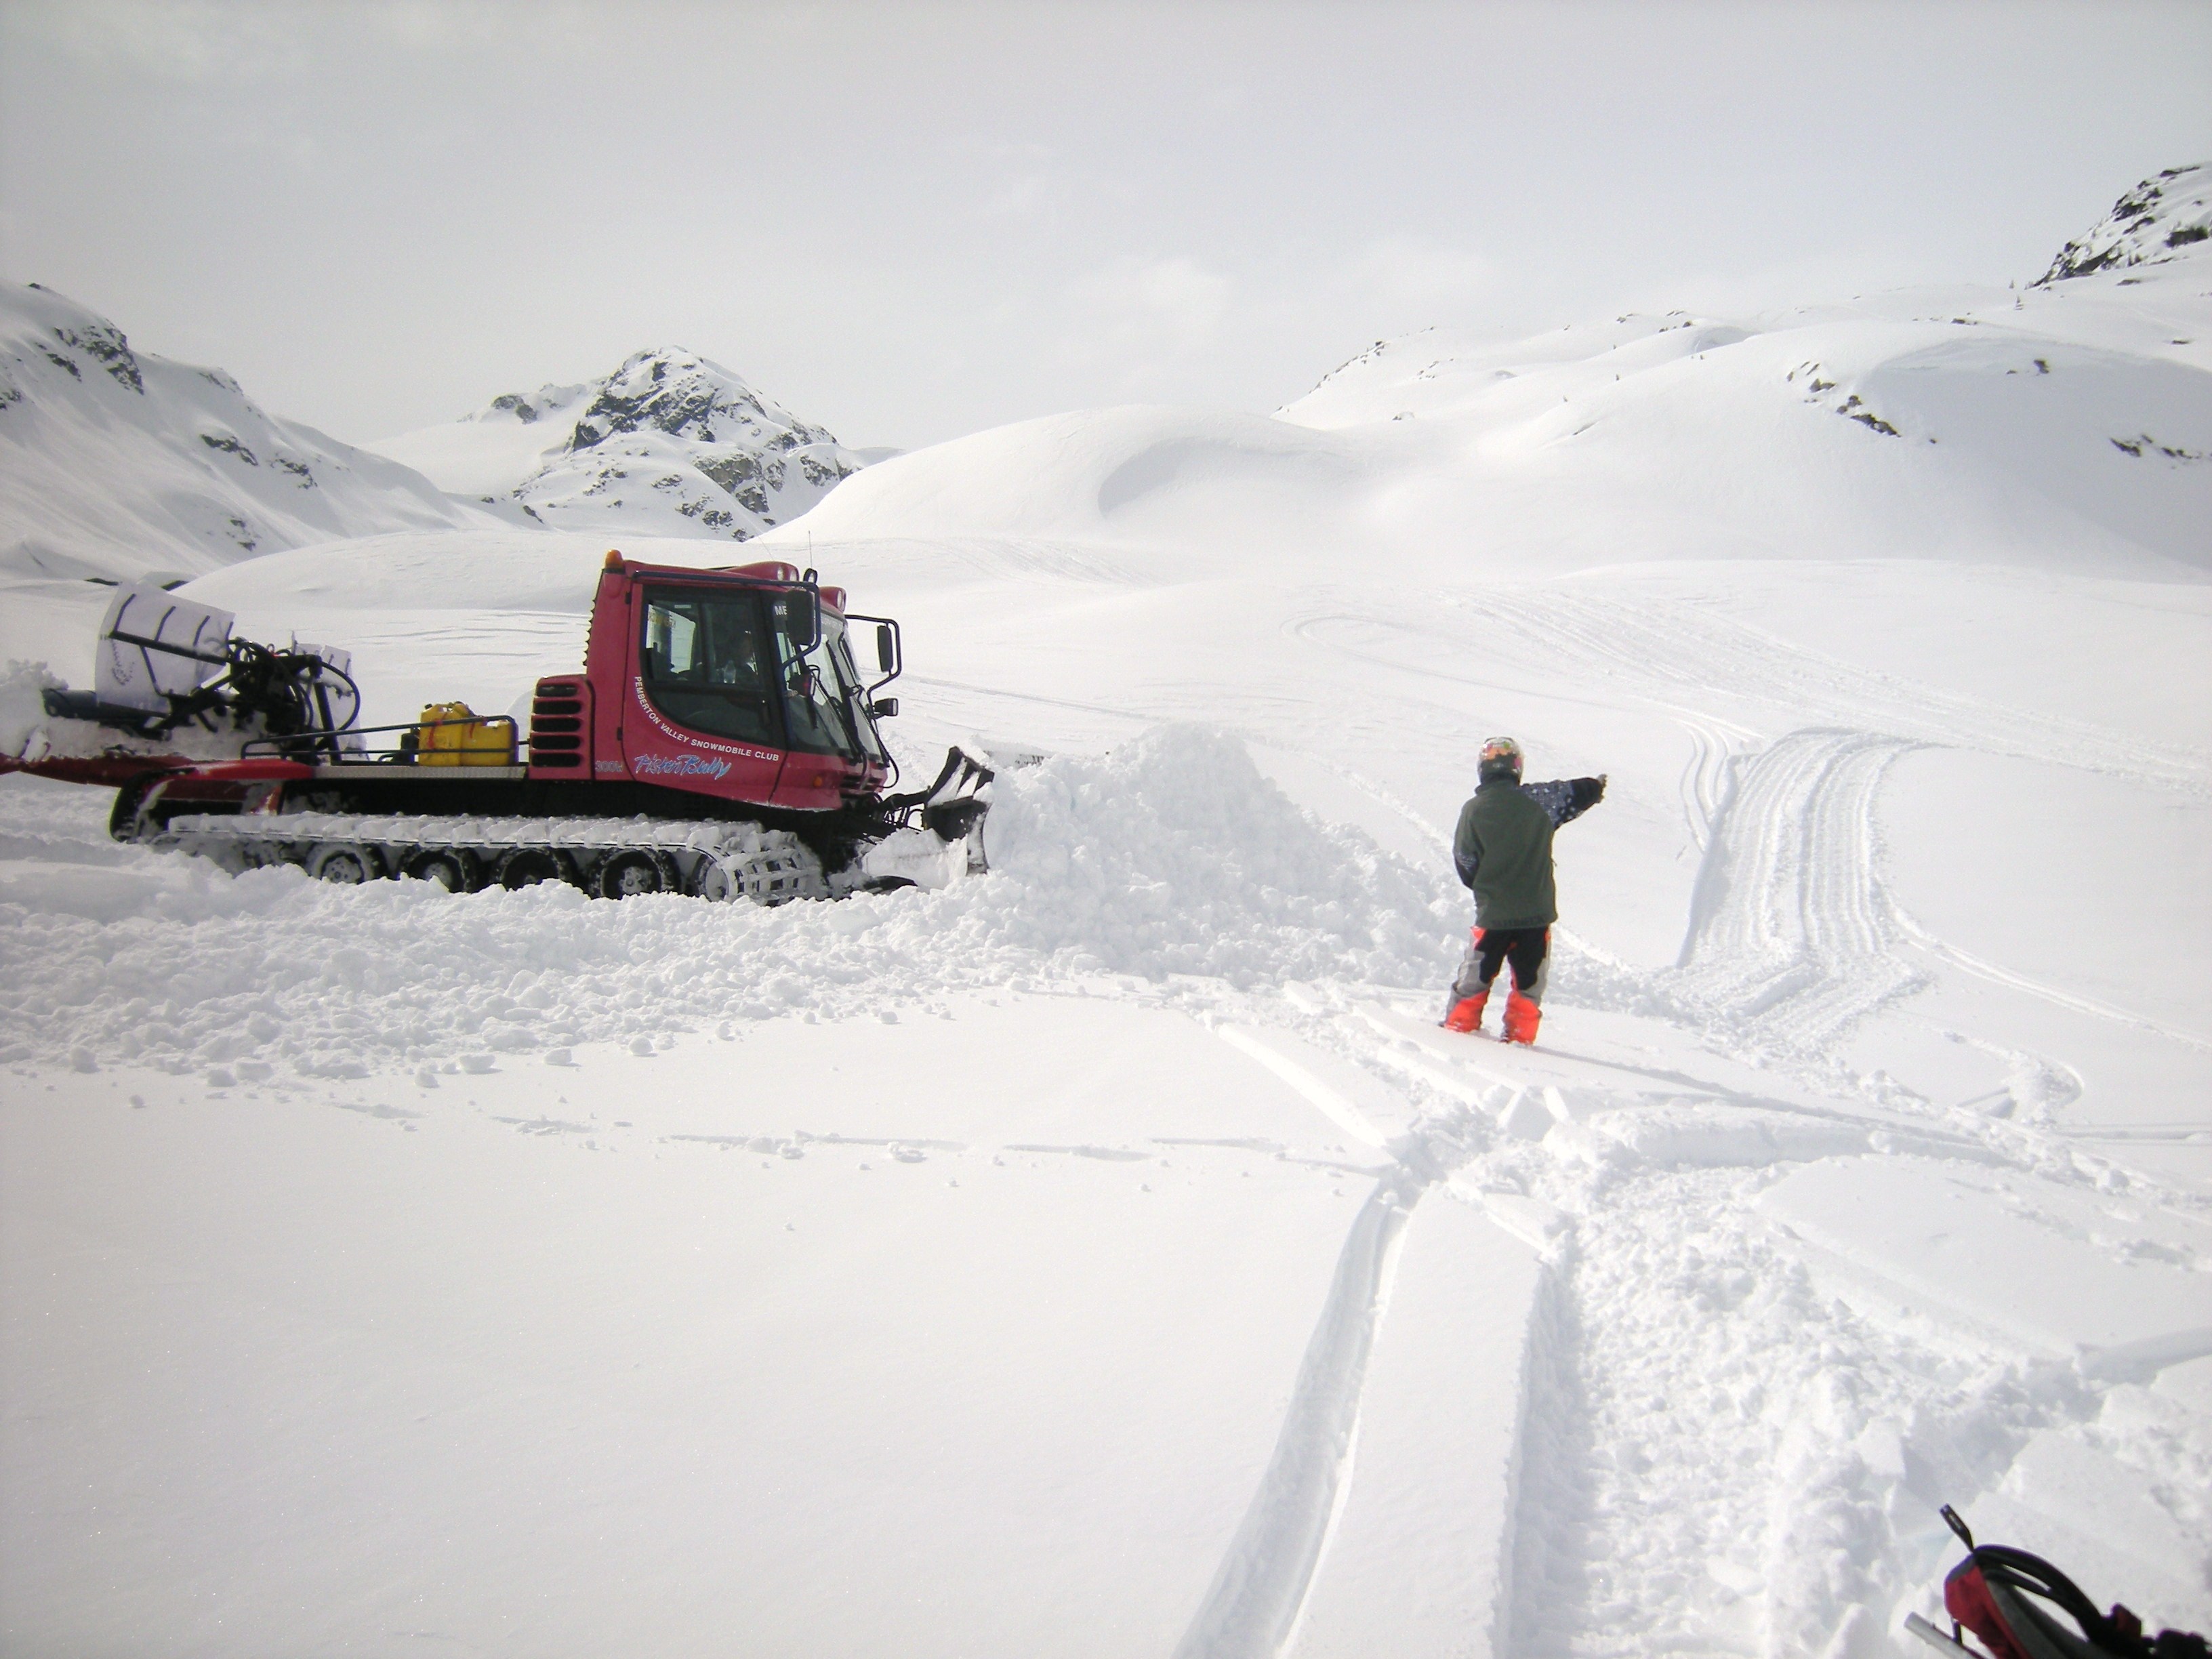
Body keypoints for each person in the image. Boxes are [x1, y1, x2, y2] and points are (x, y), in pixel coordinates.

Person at [1441, 736, 1605, 1044]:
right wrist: (1597, 787)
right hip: (1536, 914)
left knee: (1474, 980)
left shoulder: (1474, 809)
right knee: (1528, 986)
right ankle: (1520, 1041)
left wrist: (1485, 885)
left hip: (1493, 913)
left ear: (1482, 769)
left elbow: (1465, 860)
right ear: (1517, 768)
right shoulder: (1541, 801)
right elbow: (1578, 791)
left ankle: (1458, 1032)